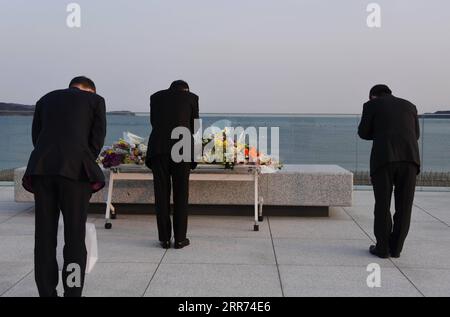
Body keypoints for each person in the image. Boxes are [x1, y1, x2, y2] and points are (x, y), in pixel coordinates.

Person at [22, 76, 107, 297]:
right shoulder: (95, 101)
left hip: (42, 170)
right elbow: (96, 141)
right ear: (90, 90)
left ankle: (47, 293)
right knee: (74, 238)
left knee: (44, 237)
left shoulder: (45, 100)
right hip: (75, 173)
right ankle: (72, 292)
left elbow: (36, 137)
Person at [358, 84, 420, 259]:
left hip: (384, 160)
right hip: (410, 160)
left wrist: (380, 132)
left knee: (382, 204)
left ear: (372, 96)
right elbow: (415, 135)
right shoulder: (410, 106)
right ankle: (396, 248)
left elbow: (363, 132)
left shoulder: (370, 105)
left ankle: (382, 248)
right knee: (404, 206)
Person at [145, 80, 199, 249]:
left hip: (159, 149)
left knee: (161, 194)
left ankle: (164, 239)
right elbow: (195, 127)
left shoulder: (155, 97)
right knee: (181, 194)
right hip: (182, 148)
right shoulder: (192, 97)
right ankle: (181, 239)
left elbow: (154, 122)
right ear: (186, 89)